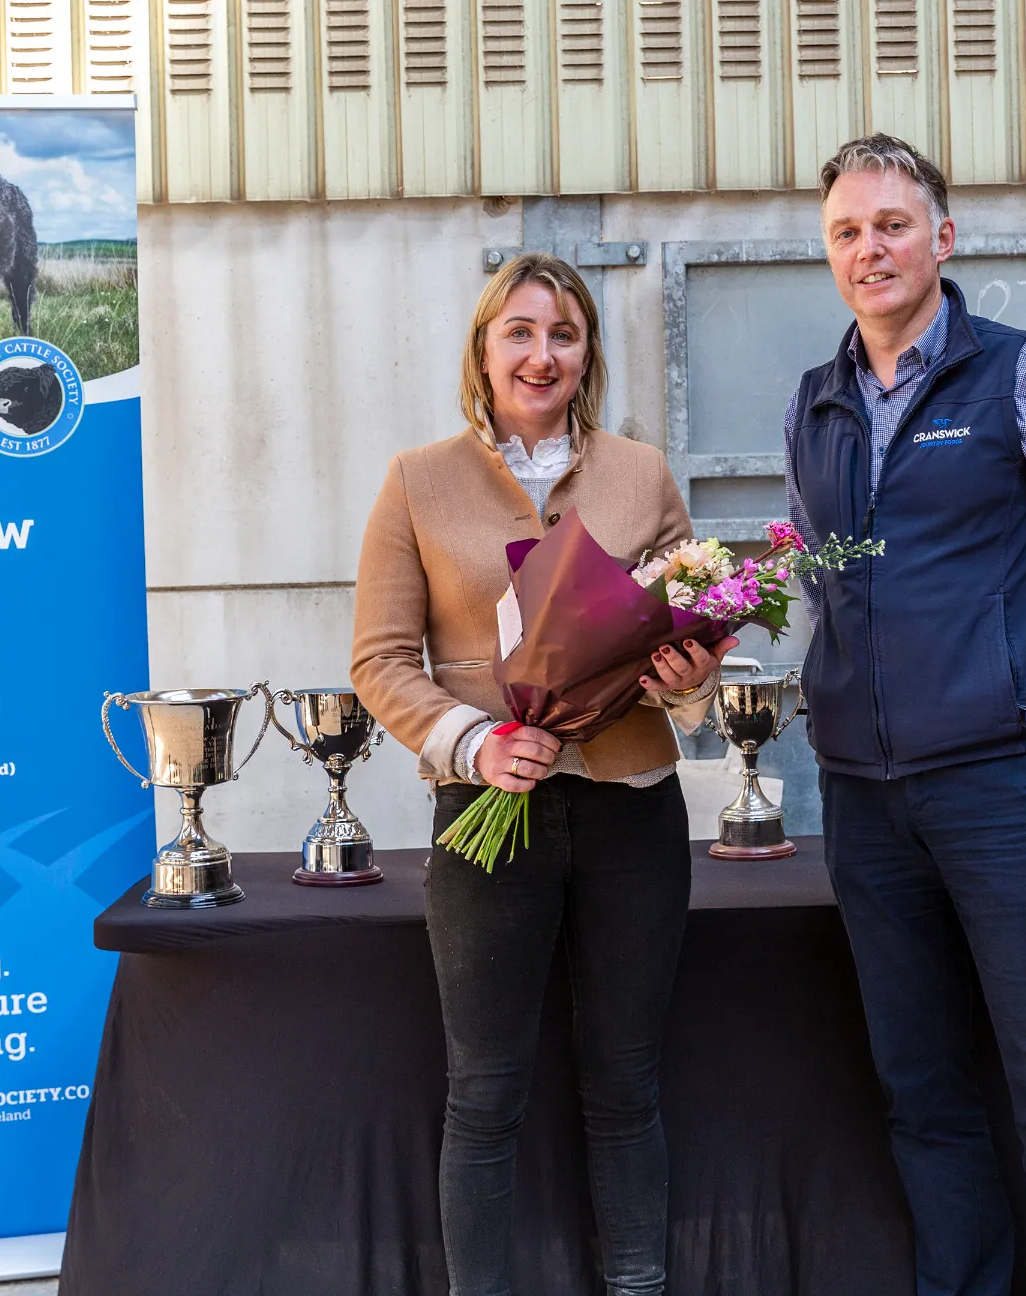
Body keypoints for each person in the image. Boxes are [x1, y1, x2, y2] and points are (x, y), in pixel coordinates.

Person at [782, 135, 1026, 1296]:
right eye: (848, 231)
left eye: (892, 224)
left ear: (944, 238)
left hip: (1005, 794)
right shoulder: (818, 402)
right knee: (924, 1091)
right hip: (865, 802)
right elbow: (816, 580)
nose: (870, 248)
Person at [350, 252, 734, 1296]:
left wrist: (690, 678)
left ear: (586, 355)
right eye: (519, 331)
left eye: (563, 334)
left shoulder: (640, 476)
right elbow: (380, 661)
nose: (541, 352)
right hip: (489, 815)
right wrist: (473, 742)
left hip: (629, 815)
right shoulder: (418, 481)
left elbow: (686, 650)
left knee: (626, 1086)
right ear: (484, 348)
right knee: (485, 1092)